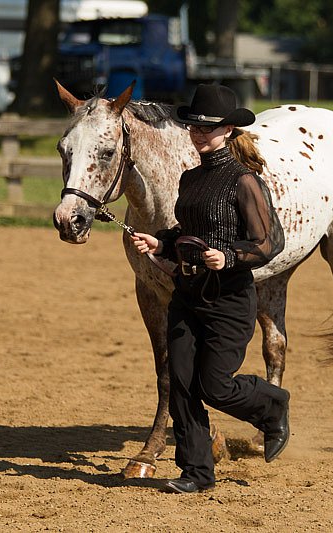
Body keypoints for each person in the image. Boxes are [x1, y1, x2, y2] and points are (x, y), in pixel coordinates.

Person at [130, 84, 289, 494]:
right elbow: (190, 232)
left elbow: (271, 243)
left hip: (229, 300)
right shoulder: (190, 178)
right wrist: (161, 243)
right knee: (181, 383)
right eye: (195, 128)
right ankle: (196, 472)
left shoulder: (245, 182)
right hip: (187, 295)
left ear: (230, 130)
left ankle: (272, 405)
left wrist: (231, 258)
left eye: (210, 129)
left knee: (213, 386)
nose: (200, 134)